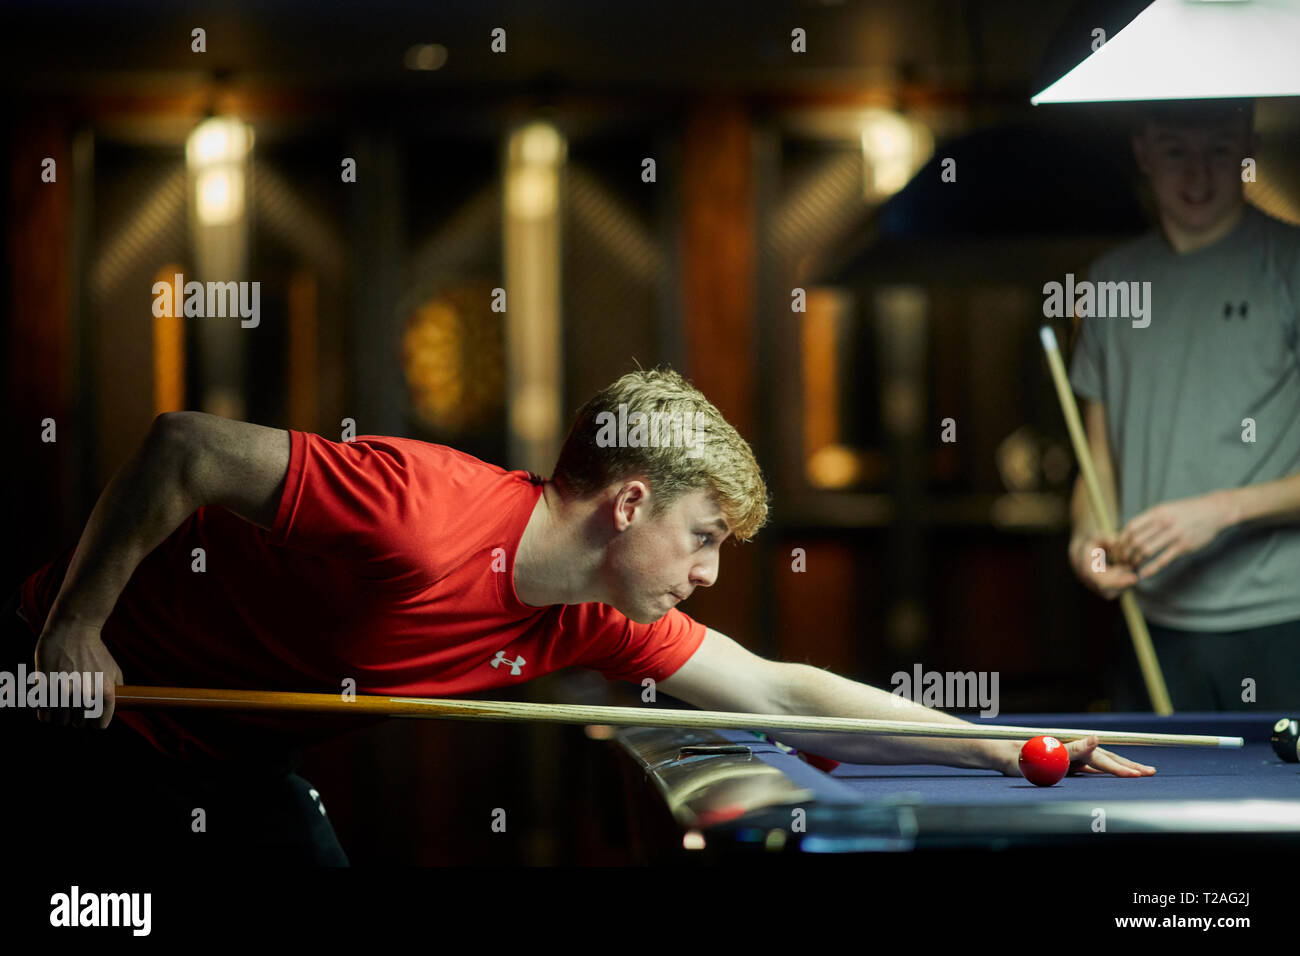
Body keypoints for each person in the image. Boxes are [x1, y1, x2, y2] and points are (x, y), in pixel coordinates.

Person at [7, 368, 1152, 864]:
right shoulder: (422, 509)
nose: (708, 574)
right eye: (704, 538)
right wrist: (74, 624)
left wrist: (1002, 741)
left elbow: (782, 688)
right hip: (68, 706)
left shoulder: (597, 617)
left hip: (233, 755)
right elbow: (184, 445)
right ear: (630, 501)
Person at [1068, 99, 1300, 710]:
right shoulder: (1108, 283)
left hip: (1283, 622)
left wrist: (1221, 511)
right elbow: (1100, 464)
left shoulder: (1291, 265)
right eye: (1176, 151)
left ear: (1248, 146)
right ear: (1144, 152)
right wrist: (1085, 537)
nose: (1197, 176)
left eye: (1219, 150)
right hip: (1152, 627)